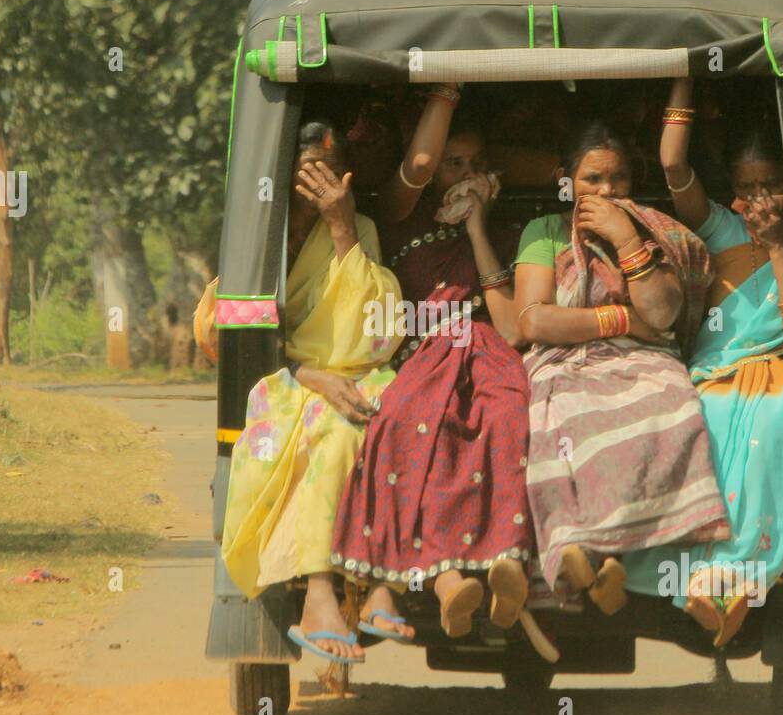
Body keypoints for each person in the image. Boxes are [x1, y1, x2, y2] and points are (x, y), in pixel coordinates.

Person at [330, 84, 534, 640]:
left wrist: (476, 228)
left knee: (510, 416)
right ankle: (445, 582)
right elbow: (414, 172)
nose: (465, 174)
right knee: (408, 424)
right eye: (454, 164)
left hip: (487, 346)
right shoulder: (397, 218)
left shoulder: (504, 230)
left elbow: (510, 323)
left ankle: (505, 563)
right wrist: (445, 89)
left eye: (476, 164)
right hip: (422, 351)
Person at [197, 121, 403, 664]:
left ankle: (381, 583)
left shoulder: (358, 229)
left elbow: (371, 332)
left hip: (360, 375)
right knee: (335, 434)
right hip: (284, 386)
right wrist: (310, 378)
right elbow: (226, 337)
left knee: (393, 424)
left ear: (346, 180)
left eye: (326, 178)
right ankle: (317, 592)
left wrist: (340, 226)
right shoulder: (260, 235)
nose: (313, 191)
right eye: (302, 178)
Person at [623, 77, 783, 648]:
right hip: (709, 378)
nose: (759, 199)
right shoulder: (718, 226)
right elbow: (671, 162)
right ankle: (701, 585)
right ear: (732, 189)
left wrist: (780, 247)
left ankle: (734, 580)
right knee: (692, 431)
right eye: (747, 186)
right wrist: (684, 73)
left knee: (776, 433)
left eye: (771, 186)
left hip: (772, 374)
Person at [514, 121, 729, 614]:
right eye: (592, 180)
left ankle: (620, 560)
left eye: (619, 179)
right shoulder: (544, 232)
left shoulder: (654, 229)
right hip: (566, 363)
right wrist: (618, 319)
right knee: (563, 413)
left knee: (675, 405)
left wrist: (624, 235)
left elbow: (660, 315)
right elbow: (533, 320)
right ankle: (583, 550)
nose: (608, 191)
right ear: (565, 181)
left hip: (644, 361)